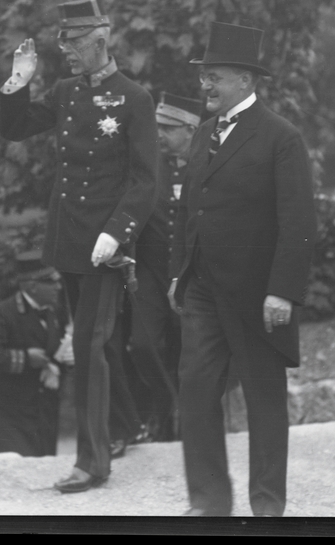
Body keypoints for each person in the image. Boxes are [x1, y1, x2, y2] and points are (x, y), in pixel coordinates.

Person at [0, 0, 157, 494]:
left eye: (73, 43)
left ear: (100, 41)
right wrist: (18, 82)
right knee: (94, 344)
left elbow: (145, 180)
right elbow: (14, 128)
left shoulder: (134, 98)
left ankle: (92, 462)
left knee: (89, 346)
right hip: (69, 240)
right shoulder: (66, 92)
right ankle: (118, 432)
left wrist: (117, 231)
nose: (65, 51)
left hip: (105, 246)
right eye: (62, 43)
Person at [169, 21, 316, 517]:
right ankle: (209, 502)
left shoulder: (281, 137)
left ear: (246, 81)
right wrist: (179, 273)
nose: (205, 85)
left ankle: (267, 506)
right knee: (196, 390)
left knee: (264, 399)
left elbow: (298, 222)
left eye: (215, 76)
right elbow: (189, 209)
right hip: (202, 290)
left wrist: (283, 291)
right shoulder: (203, 133)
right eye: (204, 76)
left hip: (257, 294)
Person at [129, 91, 199, 442]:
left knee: (189, 351)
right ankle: (164, 406)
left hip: (192, 278)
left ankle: (187, 421)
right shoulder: (148, 165)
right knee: (143, 346)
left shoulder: (207, 164)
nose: (159, 134)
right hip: (151, 274)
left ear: (190, 130)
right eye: (157, 126)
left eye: (168, 128)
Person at [0, 251, 67, 457]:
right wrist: (25, 358)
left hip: (41, 409)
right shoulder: (6, 313)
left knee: (43, 467)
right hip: (8, 411)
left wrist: (57, 366)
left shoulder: (53, 310)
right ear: (32, 286)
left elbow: (53, 349)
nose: (58, 287)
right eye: (51, 282)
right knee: (17, 467)